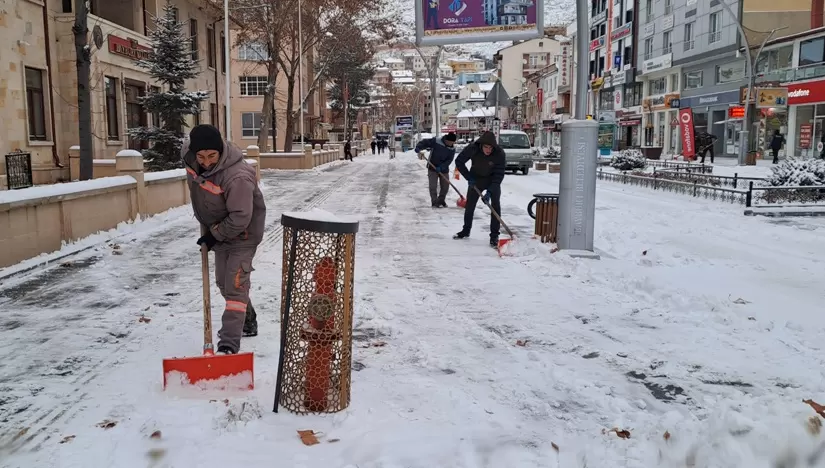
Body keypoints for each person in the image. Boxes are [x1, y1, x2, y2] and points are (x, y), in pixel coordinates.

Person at [182, 124, 267, 354]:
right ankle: (247, 320)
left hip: (243, 234)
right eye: (201, 156)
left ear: (220, 150)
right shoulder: (191, 159)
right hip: (219, 229)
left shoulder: (237, 176)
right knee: (223, 283)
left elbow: (241, 217)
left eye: (212, 156)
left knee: (236, 286)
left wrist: (213, 236)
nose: (206, 162)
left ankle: (229, 344)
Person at [453, 131, 506, 247]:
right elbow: (459, 161)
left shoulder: (499, 154)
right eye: (486, 147)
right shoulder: (473, 148)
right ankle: (466, 230)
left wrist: (490, 191)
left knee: (495, 206)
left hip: (492, 180)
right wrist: (468, 177)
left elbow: (499, 175)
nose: (488, 150)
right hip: (475, 179)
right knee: (470, 205)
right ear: (481, 145)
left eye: (490, 147)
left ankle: (494, 236)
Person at [415, 132, 457, 208]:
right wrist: (419, 147)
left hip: (443, 169)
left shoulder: (452, 149)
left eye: (452, 142)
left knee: (445, 187)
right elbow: (425, 142)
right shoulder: (437, 141)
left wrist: (441, 167)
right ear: (446, 140)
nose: (451, 144)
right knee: (433, 186)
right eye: (450, 142)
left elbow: (449, 160)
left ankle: (441, 200)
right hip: (432, 167)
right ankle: (434, 202)